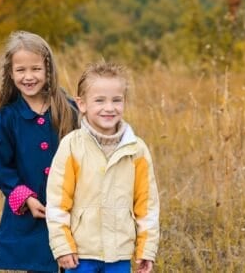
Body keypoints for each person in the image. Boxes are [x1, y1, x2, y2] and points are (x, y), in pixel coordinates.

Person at [46, 61, 160, 273]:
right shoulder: (71, 146)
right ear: (82, 104)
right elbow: (57, 202)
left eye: (116, 100)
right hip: (80, 254)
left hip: (120, 254)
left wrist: (147, 248)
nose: (109, 108)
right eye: (99, 100)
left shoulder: (137, 149)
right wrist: (62, 245)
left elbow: (147, 204)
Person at [0, 30, 77, 272]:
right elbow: (3, 170)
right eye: (21, 70)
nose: (29, 76)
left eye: (36, 69)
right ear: (11, 73)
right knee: (40, 266)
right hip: (32, 214)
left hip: (72, 211)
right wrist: (26, 198)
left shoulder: (68, 109)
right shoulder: (7, 119)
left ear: (48, 70)